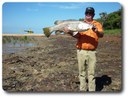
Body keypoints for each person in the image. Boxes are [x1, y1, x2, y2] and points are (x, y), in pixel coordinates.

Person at [64, 7, 104, 91]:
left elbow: (101, 35)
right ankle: (82, 90)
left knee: (91, 73)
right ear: (85, 14)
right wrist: (70, 32)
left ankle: (91, 90)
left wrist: (96, 31)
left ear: (93, 14)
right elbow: (78, 36)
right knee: (81, 73)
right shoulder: (80, 24)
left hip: (92, 52)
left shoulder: (97, 24)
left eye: (90, 13)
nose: (88, 15)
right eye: (87, 13)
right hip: (81, 51)